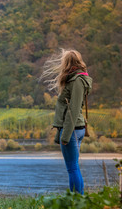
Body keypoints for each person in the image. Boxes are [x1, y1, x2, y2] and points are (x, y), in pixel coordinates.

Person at [40, 49, 92, 194]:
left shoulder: (77, 81)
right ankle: (77, 200)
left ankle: (77, 201)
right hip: (76, 128)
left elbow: (73, 110)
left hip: (73, 129)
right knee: (73, 166)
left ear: (67, 63)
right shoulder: (77, 79)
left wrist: (66, 134)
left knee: (72, 168)